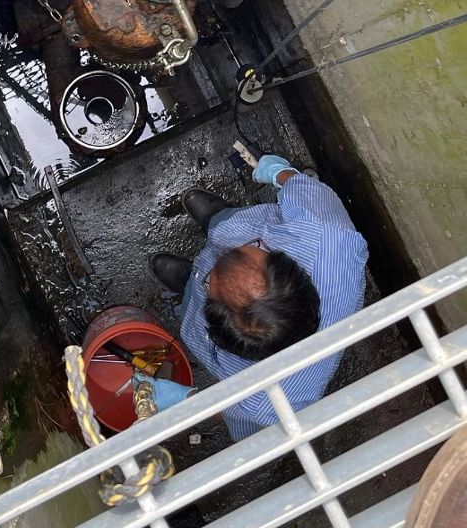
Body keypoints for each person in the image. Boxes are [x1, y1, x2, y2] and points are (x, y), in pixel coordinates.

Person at [142, 153, 368, 440]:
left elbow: (225, 407)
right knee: (227, 228)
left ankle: (189, 282)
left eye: (211, 280)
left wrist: (185, 400)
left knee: (194, 290)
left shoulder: (267, 402)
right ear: (285, 267)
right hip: (247, 230)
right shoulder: (331, 238)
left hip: (218, 300)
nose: (217, 263)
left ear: (223, 335)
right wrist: (279, 173)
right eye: (246, 251)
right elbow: (300, 186)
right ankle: (218, 219)